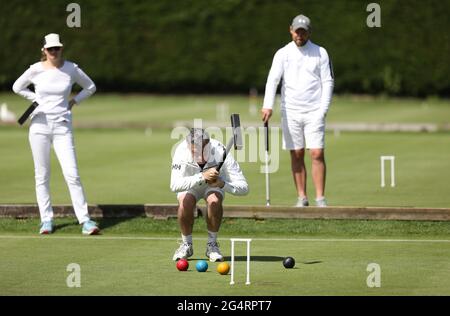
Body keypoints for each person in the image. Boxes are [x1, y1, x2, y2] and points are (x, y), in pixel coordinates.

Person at [12, 33, 99, 234]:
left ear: (61, 49)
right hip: (39, 126)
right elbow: (17, 87)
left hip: (62, 126)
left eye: (57, 48)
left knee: (72, 174)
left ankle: (85, 221)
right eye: (50, 49)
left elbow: (90, 87)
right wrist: (36, 98)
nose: (54, 52)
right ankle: (46, 220)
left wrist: (73, 101)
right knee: (42, 174)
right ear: (44, 50)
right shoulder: (35, 69)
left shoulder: (71, 68)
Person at [261, 14, 334, 207]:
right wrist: (268, 105)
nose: (299, 35)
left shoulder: (321, 53)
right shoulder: (282, 54)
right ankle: (302, 197)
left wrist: (322, 110)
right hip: (290, 111)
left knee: (317, 153)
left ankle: (320, 198)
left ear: (309, 32)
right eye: (297, 31)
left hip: (314, 112)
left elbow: (328, 82)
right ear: (291, 30)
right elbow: (273, 80)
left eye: (303, 31)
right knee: (297, 153)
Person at [170, 128, 249, 261]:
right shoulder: (181, 151)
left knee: (214, 200)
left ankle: (212, 245)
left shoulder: (220, 151)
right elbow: (174, 185)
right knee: (185, 202)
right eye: (195, 152)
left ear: (209, 145)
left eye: (204, 151)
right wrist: (202, 176)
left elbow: (244, 188)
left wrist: (222, 184)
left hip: (214, 185)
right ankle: (186, 244)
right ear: (189, 146)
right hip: (191, 185)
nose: (200, 157)